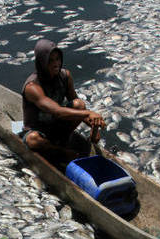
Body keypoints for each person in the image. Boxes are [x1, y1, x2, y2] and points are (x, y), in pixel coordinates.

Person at [20, 39, 106, 169]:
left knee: (79, 104)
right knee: (33, 139)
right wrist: (89, 113)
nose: (56, 64)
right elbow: (57, 110)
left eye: (58, 59)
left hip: (57, 126)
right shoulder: (32, 87)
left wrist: (93, 123)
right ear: (41, 63)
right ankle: (62, 153)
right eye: (51, 61)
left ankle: (62, 141)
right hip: (39, 131)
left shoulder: (65, 76)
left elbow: (77, 107)